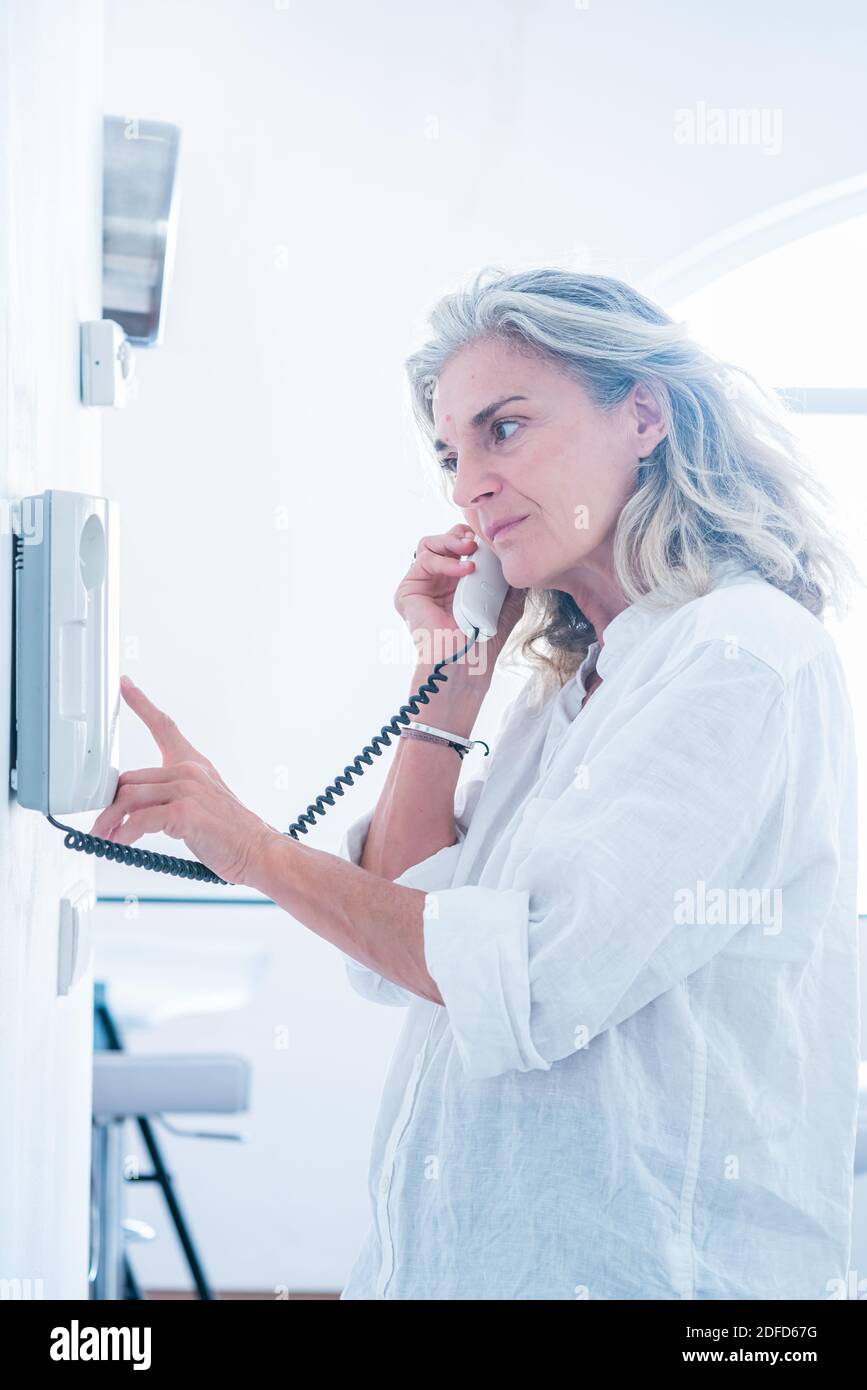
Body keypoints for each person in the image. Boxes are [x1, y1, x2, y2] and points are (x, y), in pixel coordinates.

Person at [91, 266, 862, 1300]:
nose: (467, 485)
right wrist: (448, 677)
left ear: (644, 413)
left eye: (504, 429)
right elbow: (408, 932)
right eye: (452, 455)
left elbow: (527, 980)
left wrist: (255, 850)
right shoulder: (578, 693)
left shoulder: (739, 656)